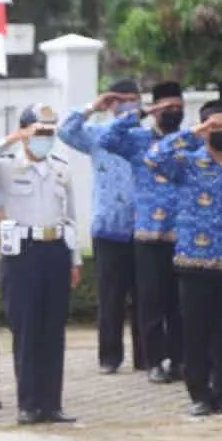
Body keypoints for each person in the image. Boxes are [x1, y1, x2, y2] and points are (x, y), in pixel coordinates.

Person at [0, 104, 80, 424]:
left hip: (55, 248)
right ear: (26, 132)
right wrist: (9, 140)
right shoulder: (6, 167)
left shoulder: (61, 168)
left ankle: (52, 403)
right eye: (39, 132)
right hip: (23, 253)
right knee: (27, 329)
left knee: (53, 330)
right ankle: (28, 403)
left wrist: (74, 259)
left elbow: (70, 216)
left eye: (49, 132)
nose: (45, 138)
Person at [145, 102, 222, 416]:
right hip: (195, 261)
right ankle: (199, 395)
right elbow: (154, 158)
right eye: (215, 125)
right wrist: (192, 134)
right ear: (204, 127)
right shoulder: (188, 163)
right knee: (195, 332)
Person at [99, 82, 187, 383]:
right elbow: (108, 140)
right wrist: (140, 113)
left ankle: (180, 360)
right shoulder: (137, 139)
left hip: (183, 234)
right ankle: (153, 362)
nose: (173, 112)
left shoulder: (189, 141)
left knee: (179, 303)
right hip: (149, 233)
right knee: (150, 302)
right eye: (167, 107)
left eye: (178, 106)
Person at [57, 80, 144, 374]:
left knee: (145, 297)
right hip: (109, 227)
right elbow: (65, 131)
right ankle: (110, 357)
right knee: (111, 298)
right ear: (112, 105)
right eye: (122, 101)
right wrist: (93, 106)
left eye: (134, 100)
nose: (129, 106)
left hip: (145, 228)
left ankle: (147, 357)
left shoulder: (149, 138)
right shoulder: (98, 136)